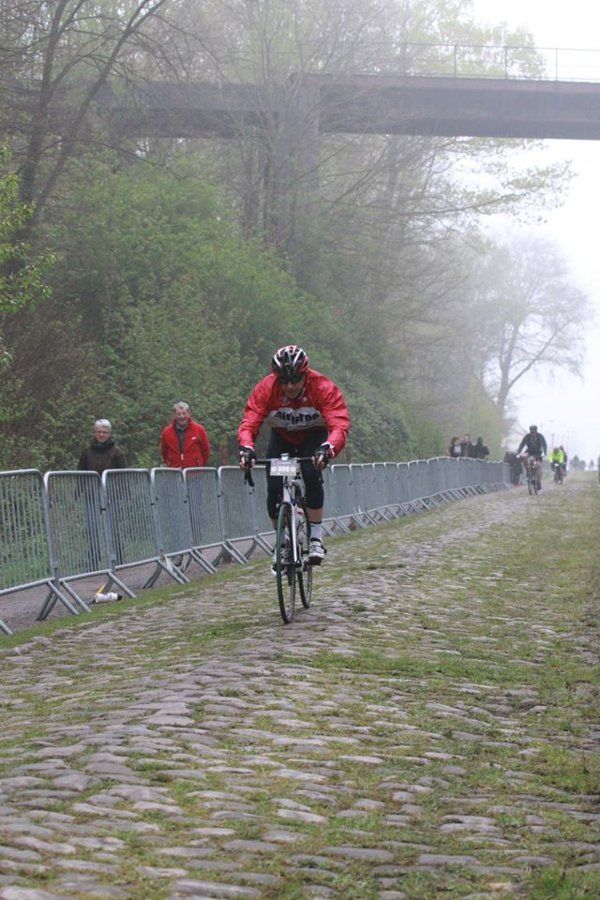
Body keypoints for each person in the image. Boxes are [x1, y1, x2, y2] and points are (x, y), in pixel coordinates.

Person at [238, 344, 350, 568]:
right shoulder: (266, 389)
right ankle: (282, 541)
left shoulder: (322, 387)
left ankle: (316, 538)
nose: (289, 386)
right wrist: (247, 448)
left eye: (295, 379)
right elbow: (249, 422)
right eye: (283, 380)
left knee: (310, 471)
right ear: (276, 378)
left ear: (305, 375)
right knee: (274, 486)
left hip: (313, 438)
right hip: (284, 440)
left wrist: (328, 448)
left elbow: (339, 422)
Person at [160, 402, 211, 469]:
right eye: (179, 414)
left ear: (189, 414)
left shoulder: (199, 430)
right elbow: (164, 452)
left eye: (184, 413)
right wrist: (170, 463)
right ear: (174, 415)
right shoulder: (166, 432)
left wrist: (199, 464)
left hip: (195, 472)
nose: (182, 416)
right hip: (174, 472)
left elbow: (206, 451)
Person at [517, 424, 548, 490]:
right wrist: (518, 452)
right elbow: (522, 444)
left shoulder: (540, 436)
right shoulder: (527, 436)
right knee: (524, 458)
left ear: (536, 431)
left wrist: (545, 453)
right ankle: (528, 470)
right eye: (531, 432)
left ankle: (539, 483)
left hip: (538, 452)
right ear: (530, 431)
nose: (533, 433)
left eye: (534, 432)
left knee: (538, 465)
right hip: (529, 451)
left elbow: (544, 445)